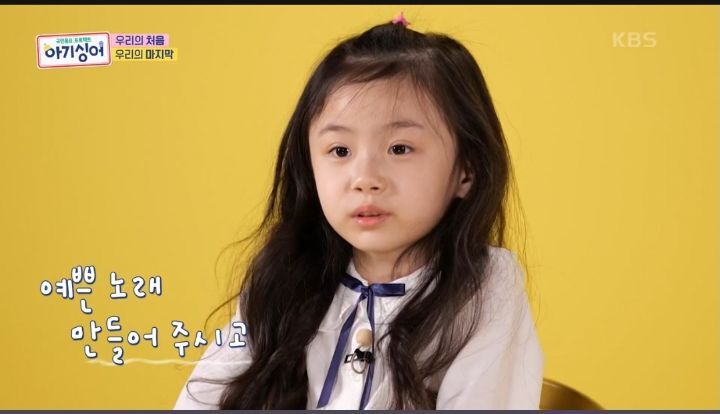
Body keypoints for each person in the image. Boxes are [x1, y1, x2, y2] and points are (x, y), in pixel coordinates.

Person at [174, 12, 543, 410]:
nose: (365, 179)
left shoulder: (484, 288)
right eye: (340, 151)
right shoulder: (286, 274)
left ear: (466, 170)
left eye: (399, 148)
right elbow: (202, 399)